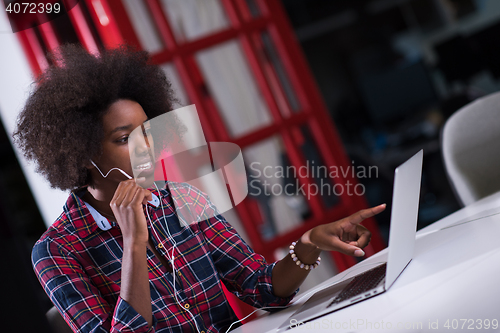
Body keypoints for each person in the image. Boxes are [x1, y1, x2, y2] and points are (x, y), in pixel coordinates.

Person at [14, 44, 385, 333]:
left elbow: (260, 288)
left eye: (149, 131)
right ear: (80, 152)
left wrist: (310, 243)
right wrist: (134, 243)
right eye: (125, 138)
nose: (147, 147)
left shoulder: (182, 199)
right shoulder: (56, 251)